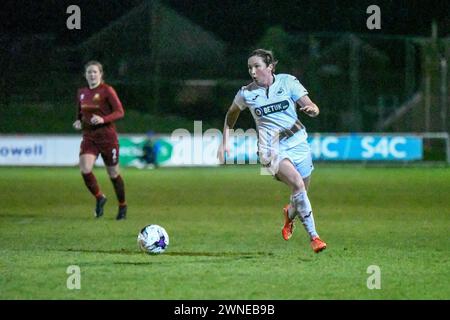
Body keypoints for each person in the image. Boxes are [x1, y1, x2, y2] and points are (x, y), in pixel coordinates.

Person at [217, 49, 326, 253]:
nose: (252, 71)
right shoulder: (246, 93)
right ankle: (315, 237)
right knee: (297, 183)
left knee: (301, 191)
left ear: (270, 67)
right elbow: (231, 114)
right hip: (270, 147)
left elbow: (310, 104)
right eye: (250, 67)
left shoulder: (288, 82)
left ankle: (289, 214)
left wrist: (313, 110)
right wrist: (225, 141)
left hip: (298, 141)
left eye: (257, 66)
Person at [72, 60, 127, 220]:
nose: (92, 74)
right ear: (85, 75)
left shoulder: (107, 90)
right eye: (89, 72)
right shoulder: (82, 92)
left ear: (101, 74)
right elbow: (80, 113)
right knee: (85, 168)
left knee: (113, 173)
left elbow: (120, 112)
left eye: (95, 72)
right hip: (89, 137)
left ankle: (122, 206)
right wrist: (78, 121)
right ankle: (99, 197)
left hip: (107, 138)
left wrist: (103, 119)